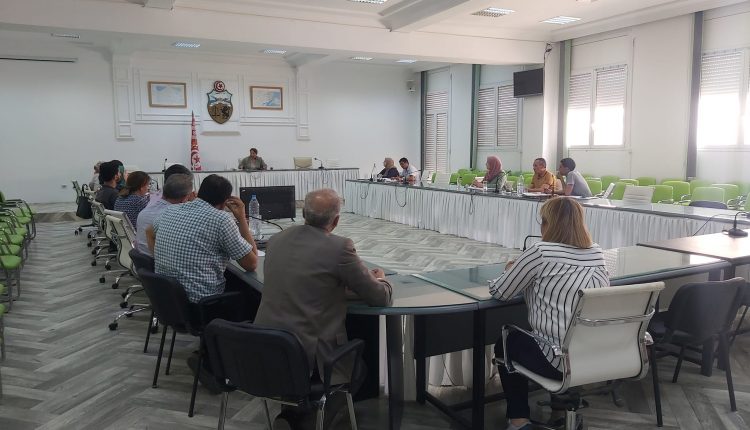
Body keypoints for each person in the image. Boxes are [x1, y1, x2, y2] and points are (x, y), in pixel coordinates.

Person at [255, 188, 393, 390]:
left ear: (304, 214)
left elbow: (311, 284)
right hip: (307, 355)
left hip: (264, 347)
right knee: (360, 369)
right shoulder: (340, 247)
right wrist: (380, 279)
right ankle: (319, 409)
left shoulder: (276, 239)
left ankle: (300, 407)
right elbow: (379, 297)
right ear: (336, 221)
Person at [488, 198, 607, 430]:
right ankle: (560, 411)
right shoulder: (596, 252)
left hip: (557, 361)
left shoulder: (540, 252)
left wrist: (509, 271)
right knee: (562, 332)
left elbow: (500, 291)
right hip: (593, 356)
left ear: (547, 224)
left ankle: (519, 421)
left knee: (507, 341)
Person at [149, 174, 258, 305]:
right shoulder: (221, 219)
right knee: (252, 293)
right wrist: (241, 218)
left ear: (198, 192)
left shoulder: (169, 210)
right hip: (202, 304)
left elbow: (150, 232)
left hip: (168, 300)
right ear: (224, 203)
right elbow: (252, 264)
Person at [135, 174, 194, 256]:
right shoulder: (174, 218)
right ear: (185, 198)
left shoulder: (144, 212)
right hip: (159, 261)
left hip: (142, 258)